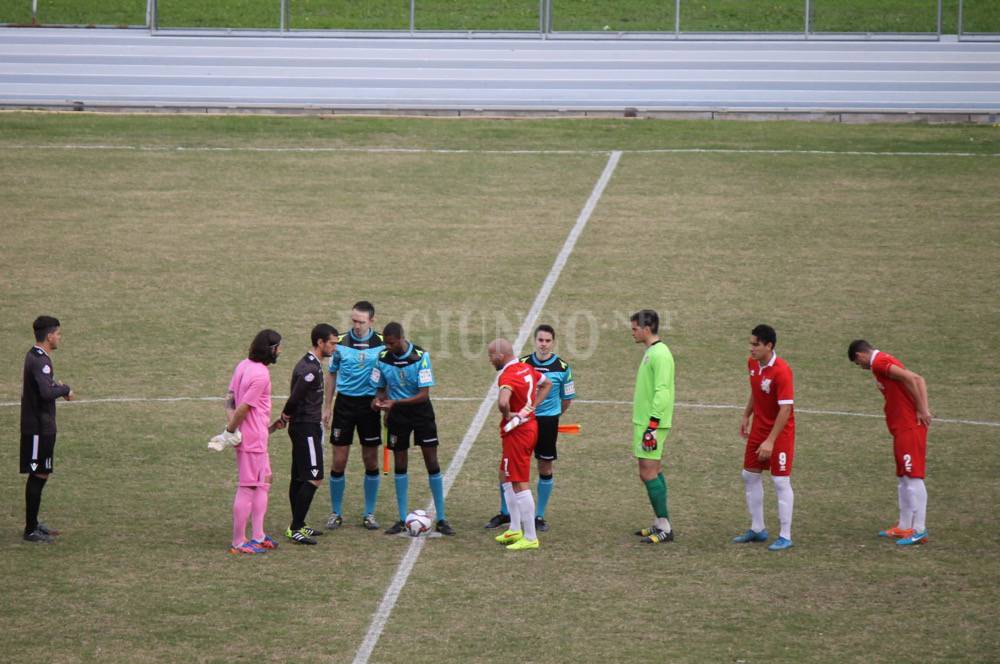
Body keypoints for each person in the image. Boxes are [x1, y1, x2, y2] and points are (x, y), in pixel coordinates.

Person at [486, 325, 576, 532]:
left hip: (545, 421)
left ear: (553, 342)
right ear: (535, 341)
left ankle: (538, 516)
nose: (543, 344)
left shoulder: (562, 367)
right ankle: (505, 513)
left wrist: (551, 415)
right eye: (540, 340)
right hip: (524, 422)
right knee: (507, 468)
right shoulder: (523, 364)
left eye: (547, 341)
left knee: (543, 466)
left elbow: (567, 397)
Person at [371, 322, 454, 536]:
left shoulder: (420, 356)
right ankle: (400, 519)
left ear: (400, 338)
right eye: (386, 343)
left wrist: (395, 403)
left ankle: (442, 519)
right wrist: (377, 401)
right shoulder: (382, 358)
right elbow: (380, 389)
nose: (388, 347)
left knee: (432, 462)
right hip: (397, 416)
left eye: (391, 343)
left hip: (421, 413)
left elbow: (424, 394)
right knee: (400, 464)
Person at [848, 340, 933, 546]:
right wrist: (923, 407)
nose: (861, 367)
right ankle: (904, 526)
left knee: (913, 477)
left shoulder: (879, 364)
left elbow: (910, 379)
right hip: (901, 427)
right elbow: (918, 378)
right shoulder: (883, 361)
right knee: (903, 477)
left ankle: (919, 529)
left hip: (909, 427)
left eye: (858, 364)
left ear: (860, 356)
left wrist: (922, 409)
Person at [322, 301, 385, 530]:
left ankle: (369, 513)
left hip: (369, 407)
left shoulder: (381, 345)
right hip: (345, 406)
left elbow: (387, 373)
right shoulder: (339, 343)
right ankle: (336, 512)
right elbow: (331, 375)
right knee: (339, 460)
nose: (356, 325)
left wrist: (382, 398)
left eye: (361, 321)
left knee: (370, 459)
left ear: (371, 321)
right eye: (354, 321)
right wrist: (327, 406)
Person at [734, 324, 796, 552]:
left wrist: (770, 440)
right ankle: (758, 529)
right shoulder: (752, 364)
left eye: (755, 345)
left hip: (780, 435)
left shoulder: (782, 371)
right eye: (750, 343)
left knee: (780, 481)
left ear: (769, 346)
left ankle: (785, 535)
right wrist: (746, 414)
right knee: (749, 475)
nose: (751, 349)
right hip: (759, 430)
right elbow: (756, 389)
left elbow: (785, 410)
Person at [275, 324, 339, 545]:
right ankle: (295, 527)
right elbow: (295, 397)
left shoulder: (311, 364)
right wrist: (284, 417)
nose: (334, 347)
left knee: (299, 476)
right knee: (315, 476)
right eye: (332, 343)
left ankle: (299, 524)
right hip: (306, 428)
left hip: (305, 426)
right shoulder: (310, 369)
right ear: (320, 342)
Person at [488, 338, 551, 551]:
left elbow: (503, 402)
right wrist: (531, 406)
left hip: (518, 432)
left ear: (499, 356)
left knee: (519, 481)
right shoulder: (526, 367)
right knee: (505, 474)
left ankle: (531, 536)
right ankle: (515, 527)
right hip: (528, 427)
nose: (490, 360)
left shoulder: (507, 375)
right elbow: (547, 383)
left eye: (490, 356)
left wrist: (510, 414)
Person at [224, 329, 282, 555]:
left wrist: (233, 429)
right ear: (270, 350)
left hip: (256, 436)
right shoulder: (261, 375)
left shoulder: (243, 365)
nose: (280, 351)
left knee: (264, 482)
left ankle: (258, 535)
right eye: (278, 347)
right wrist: (231, 429)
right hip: (253, 440)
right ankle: (238, 541)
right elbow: (243, 407)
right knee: (247, 486)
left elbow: (229, 400)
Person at [20, 316, 74, 543]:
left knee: (41, 473)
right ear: (49, 335)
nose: (59, 337)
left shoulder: (35, 356)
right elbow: (44, 393)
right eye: (58, 333)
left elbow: (43, 386)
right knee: (38, 473)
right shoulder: (40, 360)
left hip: (41, 427)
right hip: (38, 429)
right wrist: (64, 388)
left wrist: (55, 385)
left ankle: (33, 524)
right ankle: (30, 530)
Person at [629, 310, 676, 545]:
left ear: (647, 329)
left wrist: (652, 426)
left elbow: (663, 392)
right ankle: (660, 522)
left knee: (647, 472)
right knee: (653, 470)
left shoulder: (660, 355)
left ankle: (665, 526)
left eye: (635, 328)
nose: (633, 332)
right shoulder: (653, 352)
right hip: (646, 422)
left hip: (651, 424)